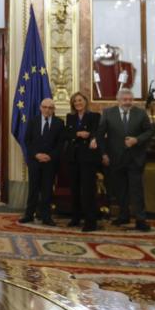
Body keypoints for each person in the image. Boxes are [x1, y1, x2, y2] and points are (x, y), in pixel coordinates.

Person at [96, 88, 155, 231]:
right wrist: (103, 154)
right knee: (120, 191)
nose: (128, 102)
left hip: (135, 158)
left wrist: (137, 140)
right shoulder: (108, 113)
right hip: (116, 159)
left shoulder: (140, 113)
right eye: (125, 100)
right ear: (118, 100)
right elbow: (100, 134)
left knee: (137, 191)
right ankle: (123, 216)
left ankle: (141, 219)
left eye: (130, 99)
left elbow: (150, 131)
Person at [19, 98, 65, 226]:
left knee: (47, 190)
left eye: (50, 108)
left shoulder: (59, 123)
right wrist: (36, 155)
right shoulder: (33, 121)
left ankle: (46, 216)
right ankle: (29, 215)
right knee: (33, 189)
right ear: (40, 108)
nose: (47, 110)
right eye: (45, 107)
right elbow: (27, 140)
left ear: (53, 110)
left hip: (50, 162)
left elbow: (60, 144)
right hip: (35, 161)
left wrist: (50, 156)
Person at [64, 93, 101, 232]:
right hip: (73, 158)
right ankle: (75, 218)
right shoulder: (70, 117)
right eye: (75, 101)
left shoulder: (95, 116)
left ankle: (91, 221)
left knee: (88, 190)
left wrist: (91, 136)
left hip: (88, 158)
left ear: (85, 101)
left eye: (80, 100)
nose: (78, 103)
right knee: (74, 189)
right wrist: (78, 134)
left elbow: (97, 131)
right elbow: (67, 134)